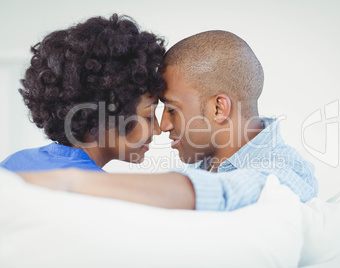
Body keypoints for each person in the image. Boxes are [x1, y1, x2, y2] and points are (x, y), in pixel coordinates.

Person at [19, 30, 318, 211]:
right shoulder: (197, 167)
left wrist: (72, 183)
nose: (163, 126)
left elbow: (239, 192)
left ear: (218, 109)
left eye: (171, 109)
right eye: (153, 112)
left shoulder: (285, 171)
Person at [0, 14, 165, 172]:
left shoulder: (12, 164)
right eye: (149, 117)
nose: (158, 130)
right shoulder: (100, 191)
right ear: (103, 114)